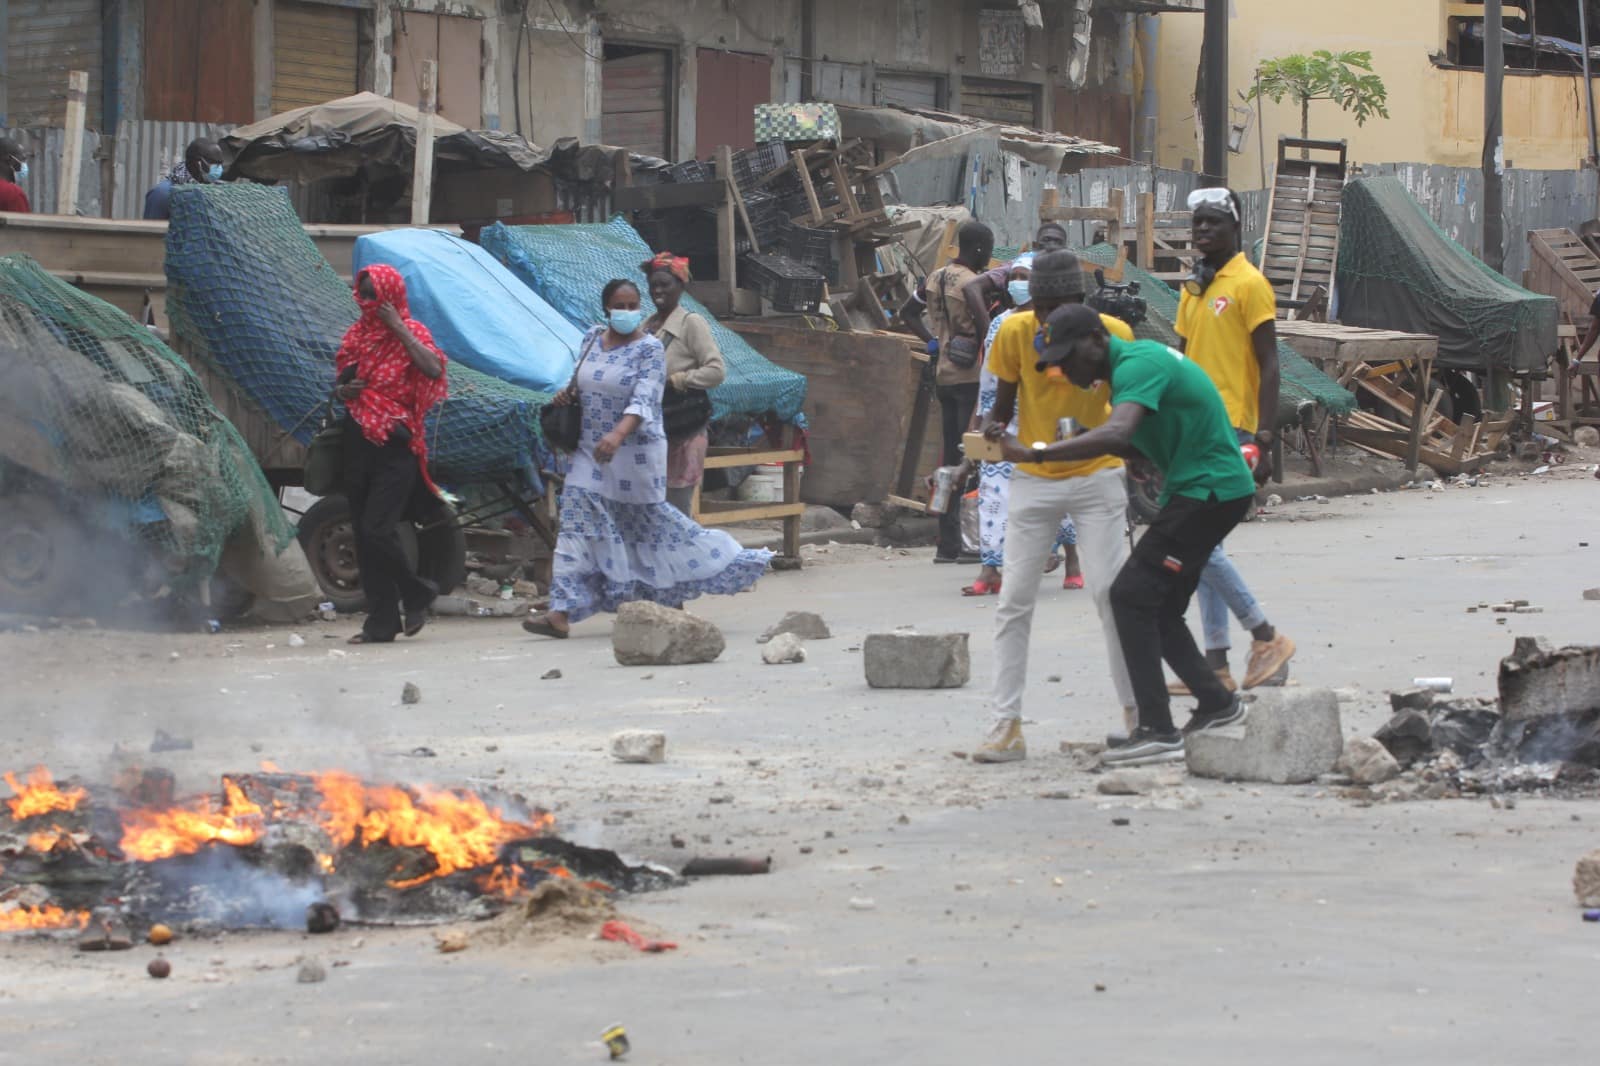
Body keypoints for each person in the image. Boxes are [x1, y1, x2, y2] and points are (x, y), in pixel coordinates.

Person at [1013, 304, 1257, 766]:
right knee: (1157, 606)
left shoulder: (1137, 364)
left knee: (1128, 596)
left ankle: (1157, 729)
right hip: (1207, 491)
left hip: (1206, 491)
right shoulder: (1127, 376)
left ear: (1096, 340)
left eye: (1068, 357)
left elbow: (1119, 431)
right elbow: (1128, 438)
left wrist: (1036, 453)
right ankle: (1217, 703)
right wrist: (1099, 439)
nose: (1064, 369)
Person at [522, 279, 771, 639]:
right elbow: (581, 381)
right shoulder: (591, 338)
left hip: (634, 454)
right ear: (606, 308)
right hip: (590, 451)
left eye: (631, 305)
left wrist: (618, 434)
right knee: (575, 521)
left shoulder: (650, 349)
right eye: (619, 306)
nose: (626, 312)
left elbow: (644, 399)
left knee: (647, 525)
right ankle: (560, 612)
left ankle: (719, 564)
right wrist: (566, 396)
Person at [970, 249, 1139, 764]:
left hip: (1097, 477)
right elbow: (1002, 408)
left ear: (1080, 309)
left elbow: (1128, 411)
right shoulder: (1015, 333)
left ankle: (1138, 717)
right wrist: (993, 434)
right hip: (1035, 481)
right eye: (1040, 308)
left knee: (1112, 596)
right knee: (1014, 599)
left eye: (1055, 309)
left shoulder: (1114, 336)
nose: (1045, 321)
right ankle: (1006, 725)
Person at [1172, 187, 1296, 692]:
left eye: (1213, 223)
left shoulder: (1249, 284)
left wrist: (1264, 437)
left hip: (1233, 426)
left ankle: (1265, 638)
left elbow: (1269, 363)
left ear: (1235, 229)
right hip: (1192, 427)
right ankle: (1218, 664)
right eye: (1197, 224)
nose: (1203, 231)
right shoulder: (1193, 288)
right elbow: (1181, 359)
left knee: (1199, 544)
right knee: (1205, 546)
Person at [334, 265, 448, 645]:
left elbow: (433, 369)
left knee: (377, 528)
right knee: (364, 537)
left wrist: (397, 326)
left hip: (395, 443)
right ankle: (381, 622)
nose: (366, 302)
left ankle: (417, 591)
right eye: (362, 294)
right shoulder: (357, 336)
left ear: (392, 296)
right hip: (357, 440)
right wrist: (346, 391)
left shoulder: (413, 333)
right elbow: (341, 382)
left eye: (373, 295)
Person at [963, 254, 1082, 597]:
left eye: (1023, 276)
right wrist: (980, 420)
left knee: (1057, 492)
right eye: (1013, 275)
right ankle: (990, 569)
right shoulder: (1001, 323)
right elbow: (990, 375)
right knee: (992, 492)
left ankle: (1071, 560)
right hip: (1003, 420)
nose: (1017, 282)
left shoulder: (1059, 323)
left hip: (1050, 420)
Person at [897, 221, 995, 564]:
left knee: (950, 459)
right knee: (972, 456)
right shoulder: (974, 284)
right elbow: (989, 330)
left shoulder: (935, 277)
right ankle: (969, 542)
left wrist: (933, 341)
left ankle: (946, 544)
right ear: (980, 249)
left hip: (943, 375)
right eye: (989, 249)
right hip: (970, 376)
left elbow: (906, 312)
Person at [642, 252, 726, 516]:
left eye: (665, 284)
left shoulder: (692, 324)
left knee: (676, 510)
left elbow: (716, 371)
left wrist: (679, 379)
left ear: (680, 286)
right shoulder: (646, 325)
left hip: (683, 429)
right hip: (653, 427)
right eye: (654, 284)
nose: (658, 290)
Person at [960, 220, 1072, 326]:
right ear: (1036, 245)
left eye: (1058, 242)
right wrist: (988, 330)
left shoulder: (1068, 275)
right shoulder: (1019, 266)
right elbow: (972, 288)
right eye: (1047, 240)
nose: (1051, 246)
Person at [143, 138, 225, 221]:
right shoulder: (163, 193)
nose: (219, 168)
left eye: (220, 164)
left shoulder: (218, 192)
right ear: (198, 163)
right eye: (215, 163)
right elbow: (151, 231)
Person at [0, 137, 31, 213]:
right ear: (9, 159)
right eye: (23, 159)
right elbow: (23, 223)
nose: (24, 164)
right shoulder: (12, 194)